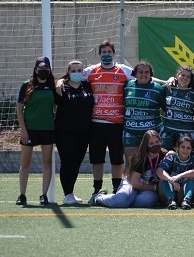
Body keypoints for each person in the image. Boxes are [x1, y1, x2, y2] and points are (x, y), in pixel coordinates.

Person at [79, 39, 134, 195]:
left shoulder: (123, 70)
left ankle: (117, 188)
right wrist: (60, 82)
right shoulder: (91, 71)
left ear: (114, 53)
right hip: (96, 124)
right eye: (104, 52)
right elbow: (71, 76)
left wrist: (167, 81)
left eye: (109, 52)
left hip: (116, 123)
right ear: (99, 54)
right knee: (97, 159)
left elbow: (145, 78)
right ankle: (97, 189)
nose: (107, 55)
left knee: (117, 159)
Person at [16, 56, 56, 206]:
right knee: (25, 162)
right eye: (41, 68)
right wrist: (23, 130)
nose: (43, 71)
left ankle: (44, 195)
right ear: (35, 69)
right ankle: (22, 194)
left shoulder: (53, 85)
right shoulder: (26, 85)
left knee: (47, 161)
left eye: (46, 68)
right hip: (30, 129)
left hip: (47, 129)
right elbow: (19, 109)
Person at [89, 130, 165, 208]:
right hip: (132, 183)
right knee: (120, 201)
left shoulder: (165, 155)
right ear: (146, 145)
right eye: (151, 143)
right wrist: (155, 188)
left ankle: (126, 201)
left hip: (148, 188)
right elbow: (135, 183)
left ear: (160, 141)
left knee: (147, 200)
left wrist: (173, 154)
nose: (155, 145)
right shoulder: (140, 158)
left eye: (157, 142)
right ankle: (98, 198)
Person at [54, 60, 94, 205]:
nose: (76, 73)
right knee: (67, 162)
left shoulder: (87, 86)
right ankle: (67, 194)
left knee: (76, 163)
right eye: (73, 70)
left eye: (79, 70)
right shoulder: (61, 87)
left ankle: (71, 192)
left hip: (84, 132)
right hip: (65, 132)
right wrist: (59, 81)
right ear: (68, 72)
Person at [123, 61, 166, 166]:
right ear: (135, 74)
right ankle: (129, 182)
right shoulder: (128, 86)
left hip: (151, 133)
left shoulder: (157, 88)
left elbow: (166, 109)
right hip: (131, 132)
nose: (143, 74)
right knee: (131, 164)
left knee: (153, 164)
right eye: (140, 72)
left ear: (151, 74)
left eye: (147, 72)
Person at [157, 135, 194, 210]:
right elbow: (159, 171)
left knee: (189, 178)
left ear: (192, 150)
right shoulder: (172, 157)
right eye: (183, 147)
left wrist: (179, 176)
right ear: (177, 147)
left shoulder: (193, 159)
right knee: (163, 178)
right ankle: (171, 200)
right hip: (168, 192)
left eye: (188, 148)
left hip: (182, 193)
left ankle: (186, 201)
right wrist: (171, 180)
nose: (185, 150)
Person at [161, 65, 194, 150]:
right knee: (165, 157)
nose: (185, 78)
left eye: (188, 76)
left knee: (185, 158)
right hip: (168, 131)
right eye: (182, 75)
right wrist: (169, 80)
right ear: (177, 76)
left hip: (186, 132)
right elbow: (151, 81)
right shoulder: (169, 87)